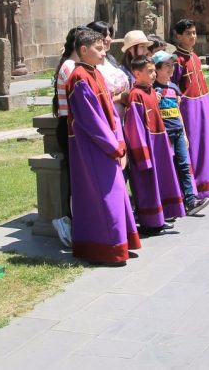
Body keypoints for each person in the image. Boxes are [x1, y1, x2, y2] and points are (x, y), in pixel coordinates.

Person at [65, 28, 141, 265]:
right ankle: (107, 248)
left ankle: (121, 241)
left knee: (115, 192)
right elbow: (91, 120)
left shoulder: (95, 73)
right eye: (98, 49)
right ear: (84, 50)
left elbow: (110, 113)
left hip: (109, 143)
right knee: (104, 194)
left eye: (103, 48)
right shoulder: (79, 78)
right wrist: (113, 146)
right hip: (92, 146)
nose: (102, 52)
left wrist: (120, 142)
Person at [123, 56, 186, 231]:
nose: (153, 74)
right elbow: (134, 127)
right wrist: (142, 154)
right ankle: (151, 223)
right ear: (137, 74)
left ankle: (161, 217)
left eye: (153, 70)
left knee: (161, 181)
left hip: (159, 143)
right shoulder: (136, 95)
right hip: (147, 146)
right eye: (149, 71)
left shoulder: (151, 91)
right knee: (148, 185)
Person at [152, 50, 209, 216]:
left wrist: (184, 133)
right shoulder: (153, 90)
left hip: (178, 133)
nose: (170, 69)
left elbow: (177, 111)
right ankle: (167, 203)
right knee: (167, 168)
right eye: (166, 66)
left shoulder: (174, 88)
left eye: (172, 65)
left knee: (184, 165)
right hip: (164, 136)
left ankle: (190, 201)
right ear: (156, 69)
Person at [171, 19, 209, 200]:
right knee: (195, 146)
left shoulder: (194, 56)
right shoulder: (176, 60)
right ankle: (198, 188)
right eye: (188, 33)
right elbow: (173, 86)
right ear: (178, 36)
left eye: (194, 32)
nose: (192, 36)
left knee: (208, 143)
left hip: (204, 104)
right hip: (189, 108)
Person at [49, 26, 84, 246]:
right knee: (76, 178)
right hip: (70, 125)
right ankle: (69, 221)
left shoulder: (70, 65)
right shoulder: (71, 67)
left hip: (70, 123)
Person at [86, 21, 129, 119]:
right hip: (105, 118)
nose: (109, 39)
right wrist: (120, 98)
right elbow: (93, 99)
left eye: (109, 35)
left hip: (122, 118)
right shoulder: (90, 65)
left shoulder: (110, 59)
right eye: (104, 35)